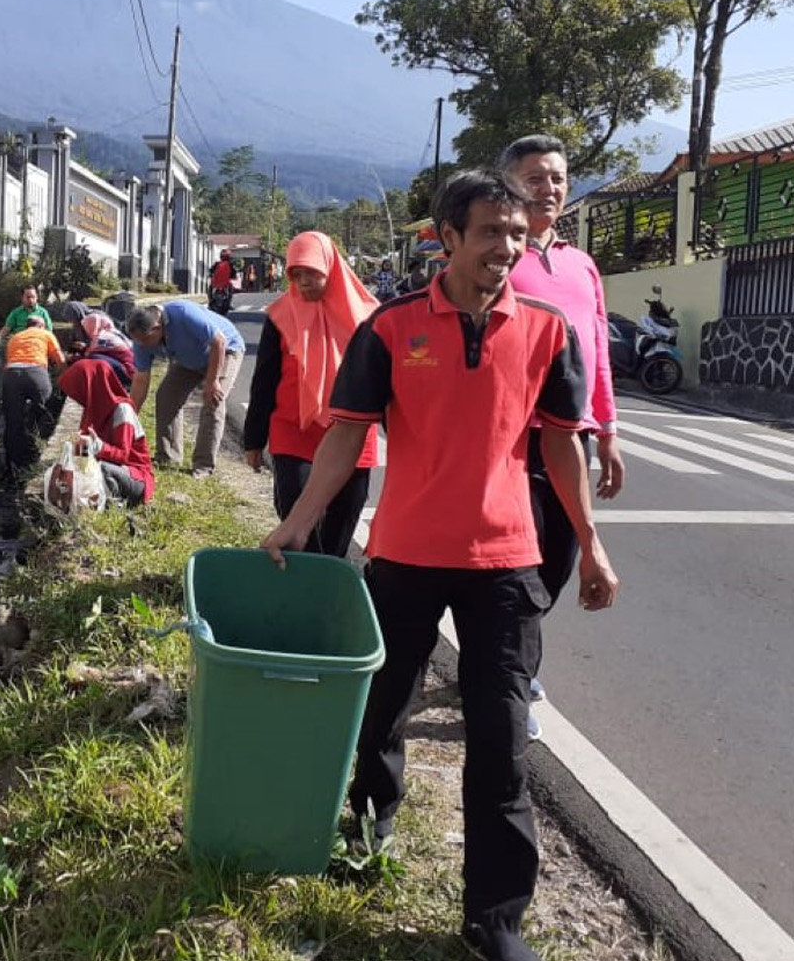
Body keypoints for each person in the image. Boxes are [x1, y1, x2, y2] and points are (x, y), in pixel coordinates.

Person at [261, 170, 618, 961]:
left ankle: (495, 918)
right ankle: (368, 830)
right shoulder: (388, 330)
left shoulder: (548, 330)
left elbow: (561, 442)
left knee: (503, 741)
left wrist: (590, 543)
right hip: (405, 558)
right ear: (447, 237)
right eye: (490, 231)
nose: (507, 247)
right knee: (382, 710)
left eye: (517, 234)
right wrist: (297, 523)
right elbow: (347, 436)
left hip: (506, 562)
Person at [500, 134, 625, 740]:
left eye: (556, 177)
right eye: (534, 176)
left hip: (569, 436)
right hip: (509, 438)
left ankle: (513, 658)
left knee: (557, 561)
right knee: (516, 567)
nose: (548, 187)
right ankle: (512, 678)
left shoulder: (582, 265)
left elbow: (598, 351)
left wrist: (609, 431)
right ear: (510, 184)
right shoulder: (498, 255)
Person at [243, 231, 379, 557]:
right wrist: (253, 440)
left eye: (312, 273)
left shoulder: (370, 318)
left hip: (353, 435)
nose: (304, 282)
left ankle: (328, 591)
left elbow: (384, 385)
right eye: (296, 275)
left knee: (342, 525)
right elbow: (264, 380)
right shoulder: (280, 316)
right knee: (295, 514)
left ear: (330, 268)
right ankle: (302, 585)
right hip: (294, 430)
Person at [124, 301, 245, 478]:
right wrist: (129, 415)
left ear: (157, 328)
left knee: (213, 401)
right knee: (166, 397)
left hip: (224, 351)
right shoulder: (141, 340)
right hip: (187, 359)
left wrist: (212, 382)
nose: (141, 346)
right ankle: (168, 457)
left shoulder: (183, 313)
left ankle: (203, 466)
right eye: (137, 341)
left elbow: (219, 341)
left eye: (144, 340)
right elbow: (141, 380)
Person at [59, 359, 155, 506]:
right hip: (110, 467)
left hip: (135, 475)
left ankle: (112, 502)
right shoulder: (92, 409)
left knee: (101, 469)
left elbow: (123, 455)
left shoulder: (122, 411)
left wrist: (98, 446)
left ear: (90, 387)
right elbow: (85, 445)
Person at [0, 314, 64, 476]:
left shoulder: (15, 337)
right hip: (36, 372)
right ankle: (38, 453)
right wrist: (60, 380)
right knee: (47, 411)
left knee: (13, 421)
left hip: (12, 374)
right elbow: (60, 360)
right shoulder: (46, 334)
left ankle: (13, 465)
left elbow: (8, 363)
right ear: (41, 326)